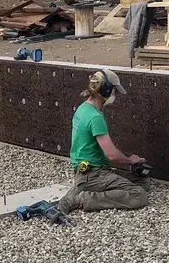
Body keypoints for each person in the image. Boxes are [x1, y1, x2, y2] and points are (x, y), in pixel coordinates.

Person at [56, 68, 149, 214]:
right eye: (114, 91)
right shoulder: (95, 117)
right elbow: (111, 155)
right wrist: (131, 160)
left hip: (86, 170)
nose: (114, 95)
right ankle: (82, 198)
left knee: (143, 181)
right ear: (106, 89)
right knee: (139, 195)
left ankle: (83, 188)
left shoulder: (82, 108)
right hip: (93, 173)